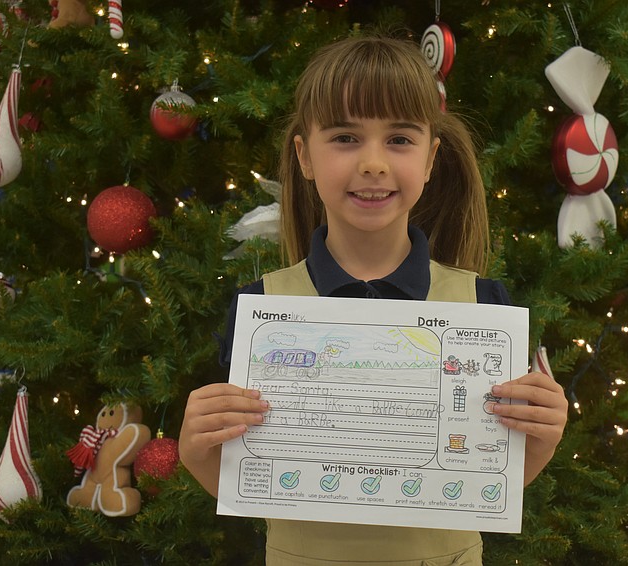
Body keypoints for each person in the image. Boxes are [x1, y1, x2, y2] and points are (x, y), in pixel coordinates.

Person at [179, 34, 568, 566]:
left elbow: (486, 479)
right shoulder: (260, 308)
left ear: (431, 158)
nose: (373, 163)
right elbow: (245, 478)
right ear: (304, 156)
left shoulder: (482, 306)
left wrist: (540, 440)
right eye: (344, 137)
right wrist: (196, 448)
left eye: (400, 140)